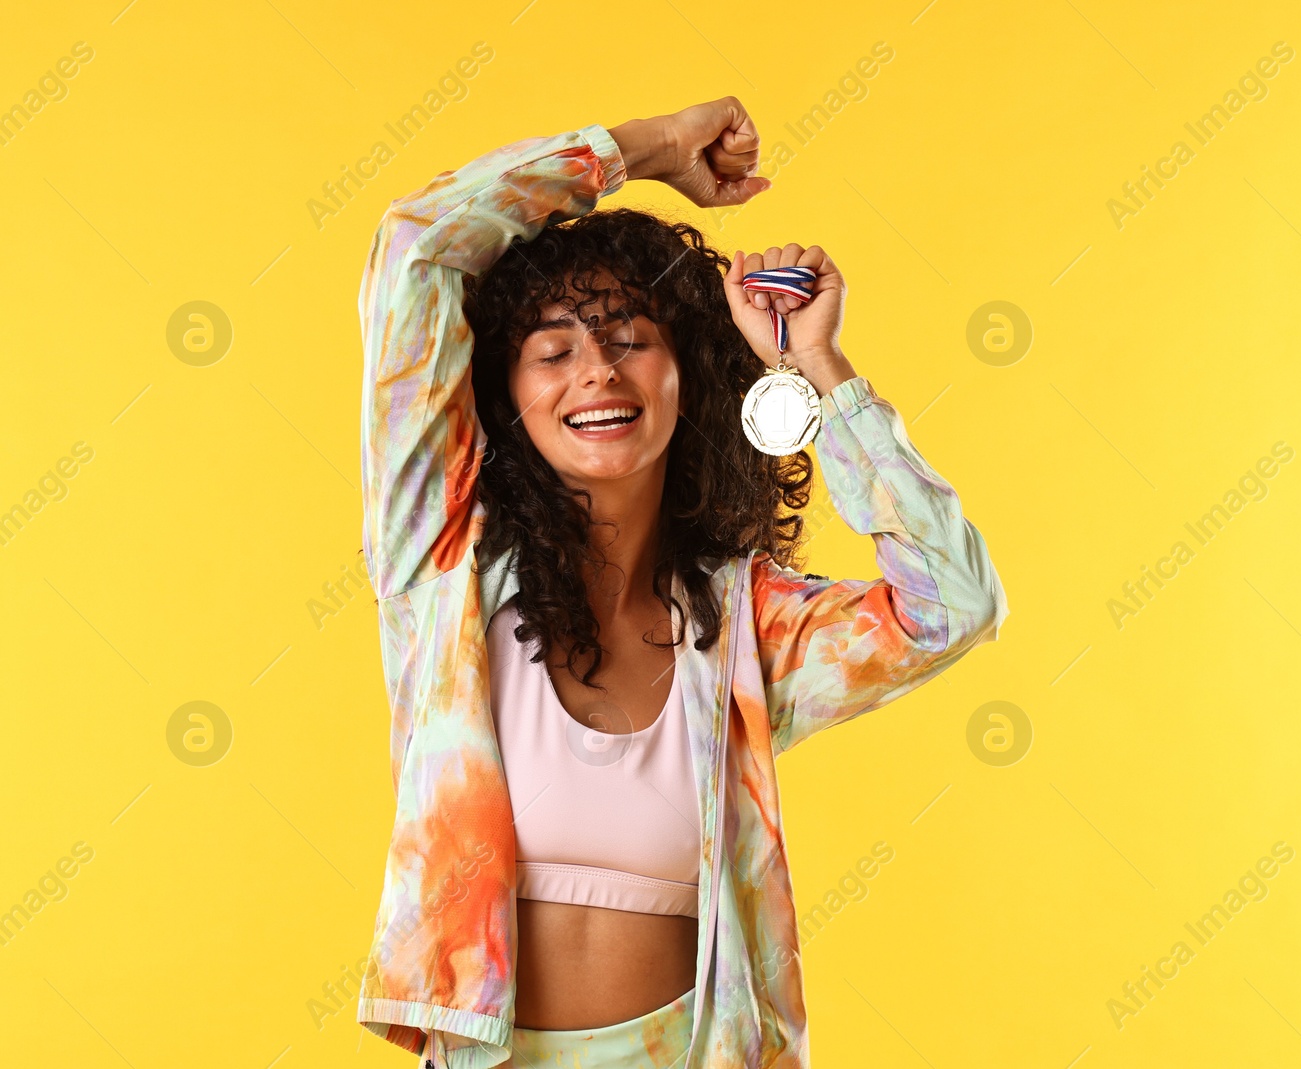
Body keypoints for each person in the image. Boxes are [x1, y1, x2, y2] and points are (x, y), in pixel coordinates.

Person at [354, 95, 1008, 1069]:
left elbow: (952, 605)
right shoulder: (442, 568)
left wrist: (817, 366)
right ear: (508, 391)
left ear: (688, 374)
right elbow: (417, 246)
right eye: (554, 347)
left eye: (630, 336)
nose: (596, 373)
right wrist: (648, 150)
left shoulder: (745, 628)